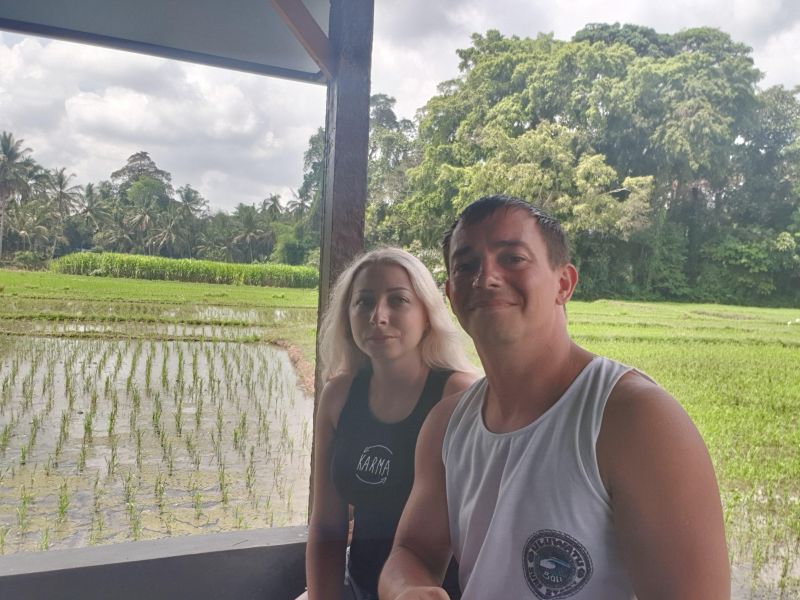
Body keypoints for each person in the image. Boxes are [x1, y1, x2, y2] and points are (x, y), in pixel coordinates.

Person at [379, 195, 730, 599]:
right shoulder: (447, 424)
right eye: (466, 265)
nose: (485, 277)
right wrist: (407, 590)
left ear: (564, 283)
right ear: (451, 295)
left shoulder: (633, 419)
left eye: (512, 258)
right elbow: (411, 551)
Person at [300, 247, 476, 600]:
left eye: (398, 300)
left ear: (428, 315)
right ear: (347, 315)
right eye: (364, 302)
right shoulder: (339, 396)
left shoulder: (458, 397)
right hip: (359, 584)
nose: (378, 316)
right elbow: (327, 526)